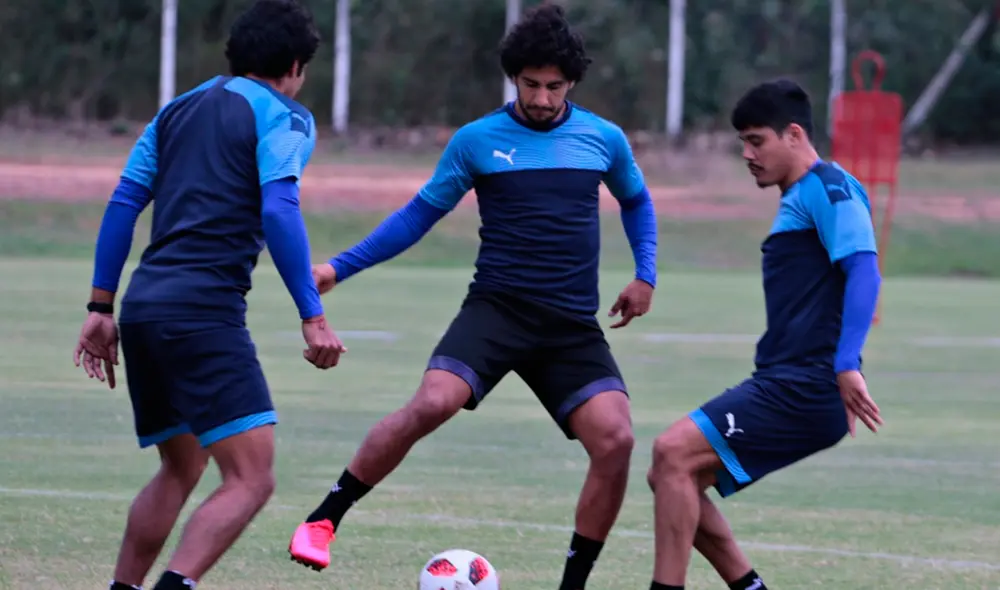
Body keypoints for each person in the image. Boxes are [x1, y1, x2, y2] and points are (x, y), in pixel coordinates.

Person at [287, 5, 658, 589]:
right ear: (514, 78)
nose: (540, 98)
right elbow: (419, 214)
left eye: (553, 86)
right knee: (433, 402)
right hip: (498, 310)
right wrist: (340, 267)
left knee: (617, 440)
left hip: (568, 326)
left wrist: (646, 274)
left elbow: (635, 201)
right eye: (530, 84)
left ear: (573, 83)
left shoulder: (602, 139)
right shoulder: (478, 141)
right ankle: (323, 520)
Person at [71, 2, 345, 589]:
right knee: (252, 478)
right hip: (202, 313)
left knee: (182, 465)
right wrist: (312, 314)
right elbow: (279, 206)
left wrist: (100, 308)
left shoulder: (175, 110)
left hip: (143, 307)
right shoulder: (287, 117)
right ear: (296, 65)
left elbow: (123, 203)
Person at [643, 79, 884, 590]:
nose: (747, 154)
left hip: (805, 384)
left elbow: (864, 271)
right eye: (743, 144)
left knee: (672, 455)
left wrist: (846, 364)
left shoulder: (829, 186)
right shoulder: (805, 194)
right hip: (789, 377)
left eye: (757, 141)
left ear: (793, 134)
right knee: (672, 476)